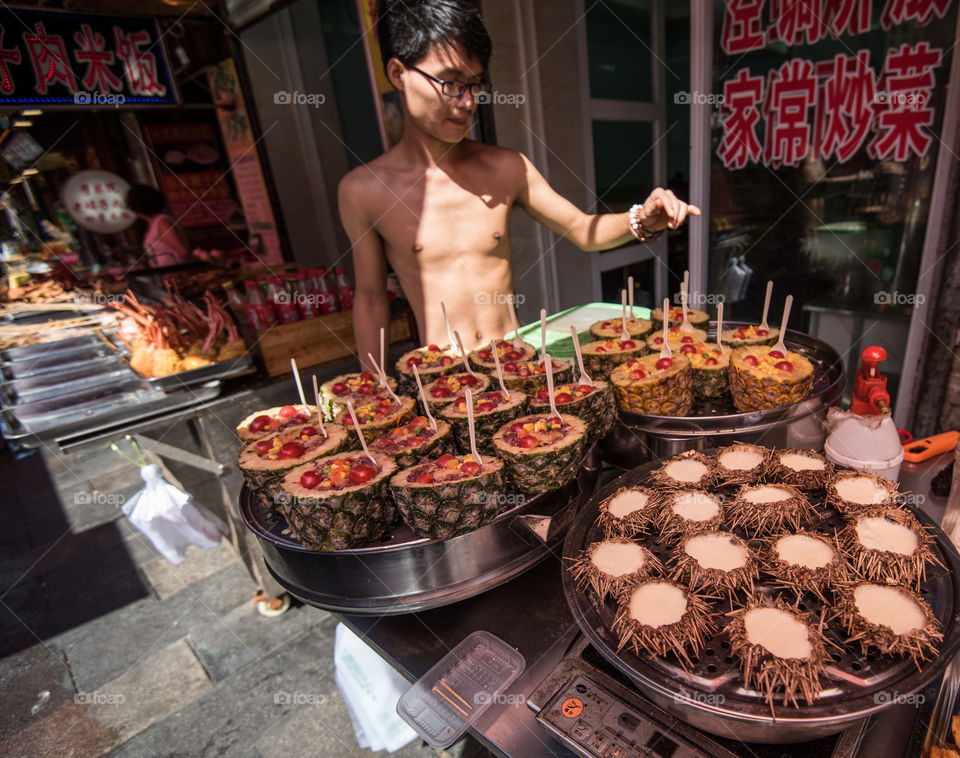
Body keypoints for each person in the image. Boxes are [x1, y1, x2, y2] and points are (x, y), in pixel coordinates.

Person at [338, 0, 700, 369]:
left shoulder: (506, 167)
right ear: (399, 73)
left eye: (475, 84)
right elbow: (370, 299)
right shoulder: (363, 191)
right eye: (450, 83)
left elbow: (582, 229)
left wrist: (642, 219)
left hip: (516, 369)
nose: (467, 102)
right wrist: (376, 388)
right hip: (442, 381)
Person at [125, 184, 192, 268]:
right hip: (169, 275)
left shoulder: (162, 222)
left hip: (177, 274)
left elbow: (183, 252)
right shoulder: (155, 222)